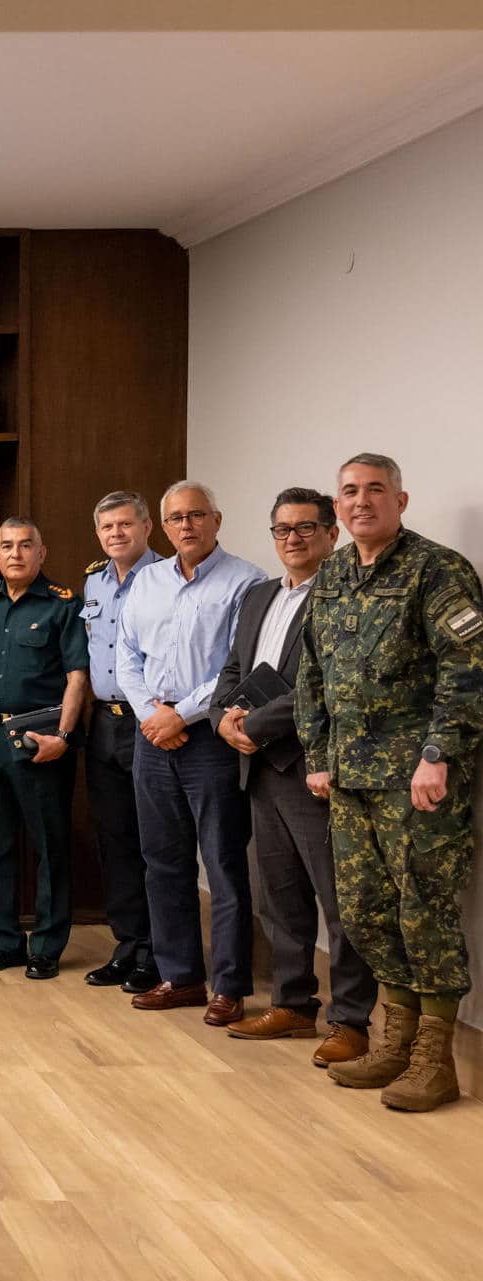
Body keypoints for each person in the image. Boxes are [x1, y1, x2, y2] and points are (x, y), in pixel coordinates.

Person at [298, 453, 483, 1112]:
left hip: (419, 781)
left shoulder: (438, 571)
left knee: (424, 911)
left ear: (401, 501)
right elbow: (311, 672)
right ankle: (396, 1038)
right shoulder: (334, 573)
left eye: (376, 489)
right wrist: (317, 753)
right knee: (367, 912)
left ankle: (435, 1058)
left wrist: (438, 753)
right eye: (350, 490)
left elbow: (468, 670)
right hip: (350, 779)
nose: (361, 500)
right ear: (338, 505)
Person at [213, 488, 374, 1064]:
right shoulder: (258, 596)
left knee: (339, 901)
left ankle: (351, 1021)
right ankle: (292, 1005)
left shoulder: (345, 593)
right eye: (282, 529)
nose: (293, 539)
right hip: (259, 768)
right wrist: (222, 718)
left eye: (306, 528)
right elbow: (234, 668)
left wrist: (252, 722)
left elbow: (325, 681)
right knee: (279, 899)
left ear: (332, 534)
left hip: (315, 767)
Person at [116, 480, 267, 1023]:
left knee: (224, 863)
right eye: (177, 517)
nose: (187, 525)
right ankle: (179, 975)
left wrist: (181, 715)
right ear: (164, 525)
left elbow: (238, 663)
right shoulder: (147, 580)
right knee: (162, 861)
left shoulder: (246, 581)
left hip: (211, 736)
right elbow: (126, 655)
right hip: (151, 733)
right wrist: (151, 717)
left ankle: (229, 984)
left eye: (197, 515)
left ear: (217, 520)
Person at [0, 519, 89, 979]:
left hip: (42, 737)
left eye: (25, 546)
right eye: (6, 546)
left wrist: (63, 735)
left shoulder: (62, 605)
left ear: (43, 552)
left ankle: (47, 947)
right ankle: (3, 942)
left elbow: (78, 675)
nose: (15, 554)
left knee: (49, 844)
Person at [79, 492, 164, 991]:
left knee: (152, 840)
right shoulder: (94, 581)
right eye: (107, 526)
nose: (116, 534)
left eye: (125, 524)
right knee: (113, 840)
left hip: (147, 722)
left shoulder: (166, 579)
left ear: (147, 527)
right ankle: (127, 944)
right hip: (104, 723)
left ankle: (156, 950)